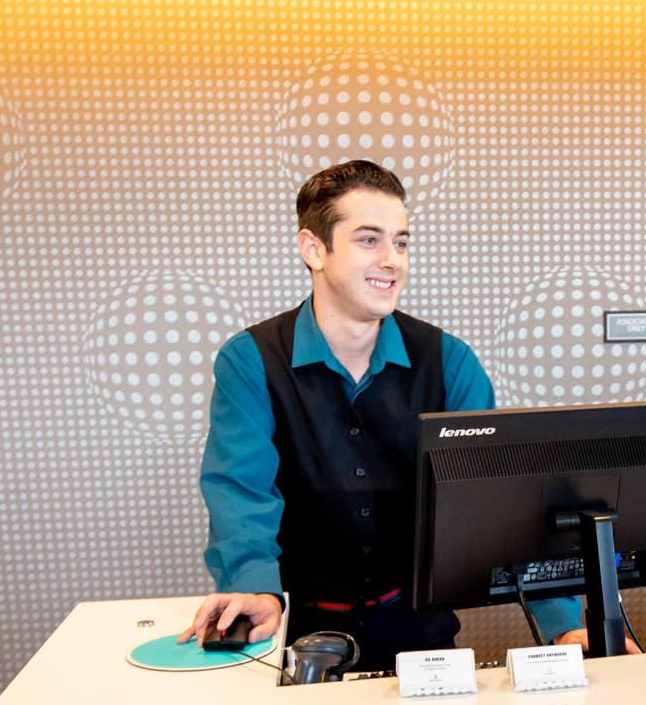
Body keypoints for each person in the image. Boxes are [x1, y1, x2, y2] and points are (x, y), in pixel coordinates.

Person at [188, 159, 593, 669]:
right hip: (299, 630)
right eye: (369, 240)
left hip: (420, 628)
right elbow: (240, 490)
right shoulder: (250, 360)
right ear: (313, 249)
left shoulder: (450, 362)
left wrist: (566, 624)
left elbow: (499, 500)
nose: (393, 260)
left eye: (401, 242)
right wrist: (254, 589)